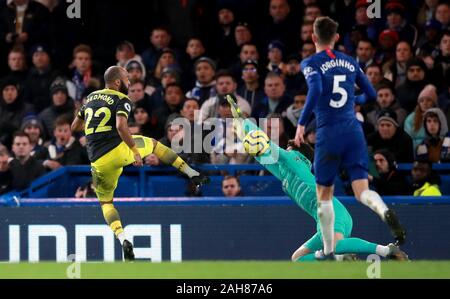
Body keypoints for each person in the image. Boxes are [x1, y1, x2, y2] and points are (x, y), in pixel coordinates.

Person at [226, 94, 407, 261]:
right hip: (323, 220)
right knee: (298, 258)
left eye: (290, 147)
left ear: (300, 155)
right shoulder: (286, 174)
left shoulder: (294, 159)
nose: (287, 148)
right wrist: (241, 123)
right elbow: (262, 156)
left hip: (334, 214)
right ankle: (337, 257)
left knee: (335, 246)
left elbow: (266, 146)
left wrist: (244, 124)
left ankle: (385, 250)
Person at [71, 66, 209, 261]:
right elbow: (120, 126)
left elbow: (74, 127)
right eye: (127, 79)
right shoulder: (122, 99)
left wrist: (92, 131)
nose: (129, 83)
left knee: (106, 203)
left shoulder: (91, 98)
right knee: (153, 144)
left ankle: (122, 239)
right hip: (118, 150)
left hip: (97, 161)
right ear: (117, 82)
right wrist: (135, 152)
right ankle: (191, 172)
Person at [294, 17, 406, 258]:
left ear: (313, 37)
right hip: (353, 131)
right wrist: (354, 102)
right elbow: (372, 94)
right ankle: (384, 210)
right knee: (362, 191)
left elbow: (314, 90)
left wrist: (302, 123)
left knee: (324, 194)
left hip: (328, 132)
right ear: (335, 38)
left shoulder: (310, 62)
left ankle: (328, 249)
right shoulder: (349, 62)